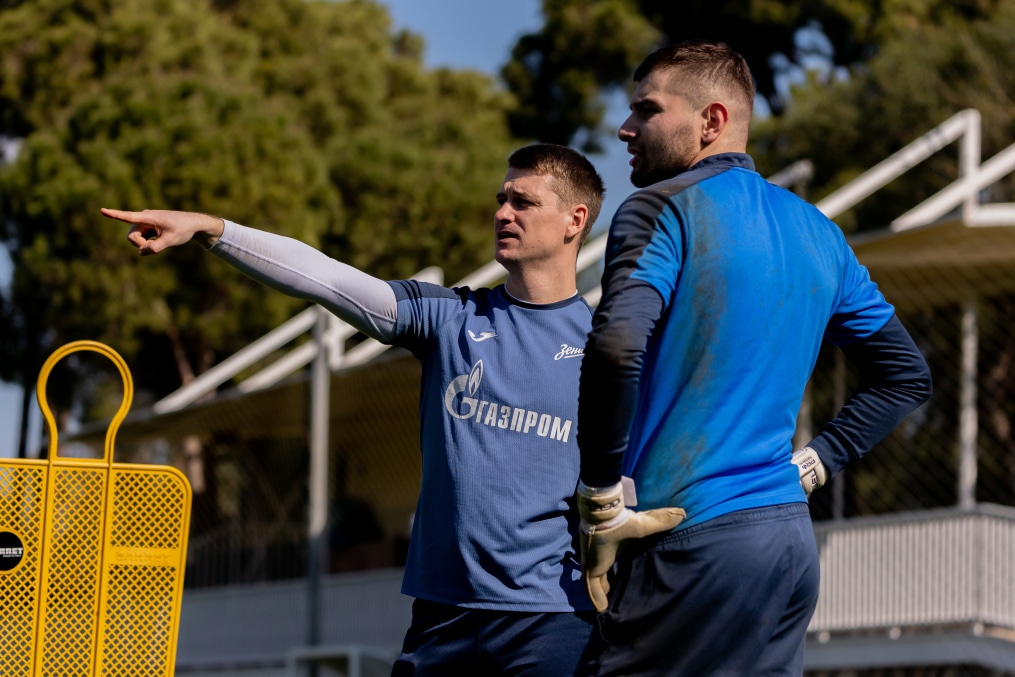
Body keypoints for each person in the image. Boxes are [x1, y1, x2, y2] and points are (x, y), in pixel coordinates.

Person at [102, 143, 606, 676]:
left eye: (523, 202)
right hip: (441, 618)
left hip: (553, 620)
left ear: (574, 220)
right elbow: (328, 278)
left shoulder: (606, 348)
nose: (502, 212)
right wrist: (211, 229)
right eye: (501, 199)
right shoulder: (450, 317)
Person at [573, 41, 933, 675]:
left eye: (647, 111)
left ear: (711, 121)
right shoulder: (819, 231)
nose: (624, 129)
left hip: (687, 543)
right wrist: (814, 467)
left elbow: (616, 346)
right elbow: (905, 376)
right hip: (787, 547)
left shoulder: (658, 208)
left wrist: (600, 503)